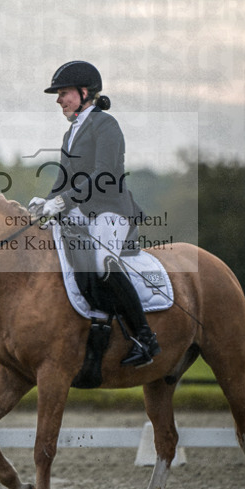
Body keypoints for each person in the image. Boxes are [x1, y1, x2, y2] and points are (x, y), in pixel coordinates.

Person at [29, 60, 160, 366]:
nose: (59, 100)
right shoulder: (71, 133)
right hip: (81, 212)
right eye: (59, 95)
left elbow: (104, 175)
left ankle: (145, 337)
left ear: (84, 92)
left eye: (64, 93)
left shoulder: (106, 125)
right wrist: (45, 203)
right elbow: (64, 179)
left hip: (111, 211)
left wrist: (62, 203)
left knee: (103, 263)